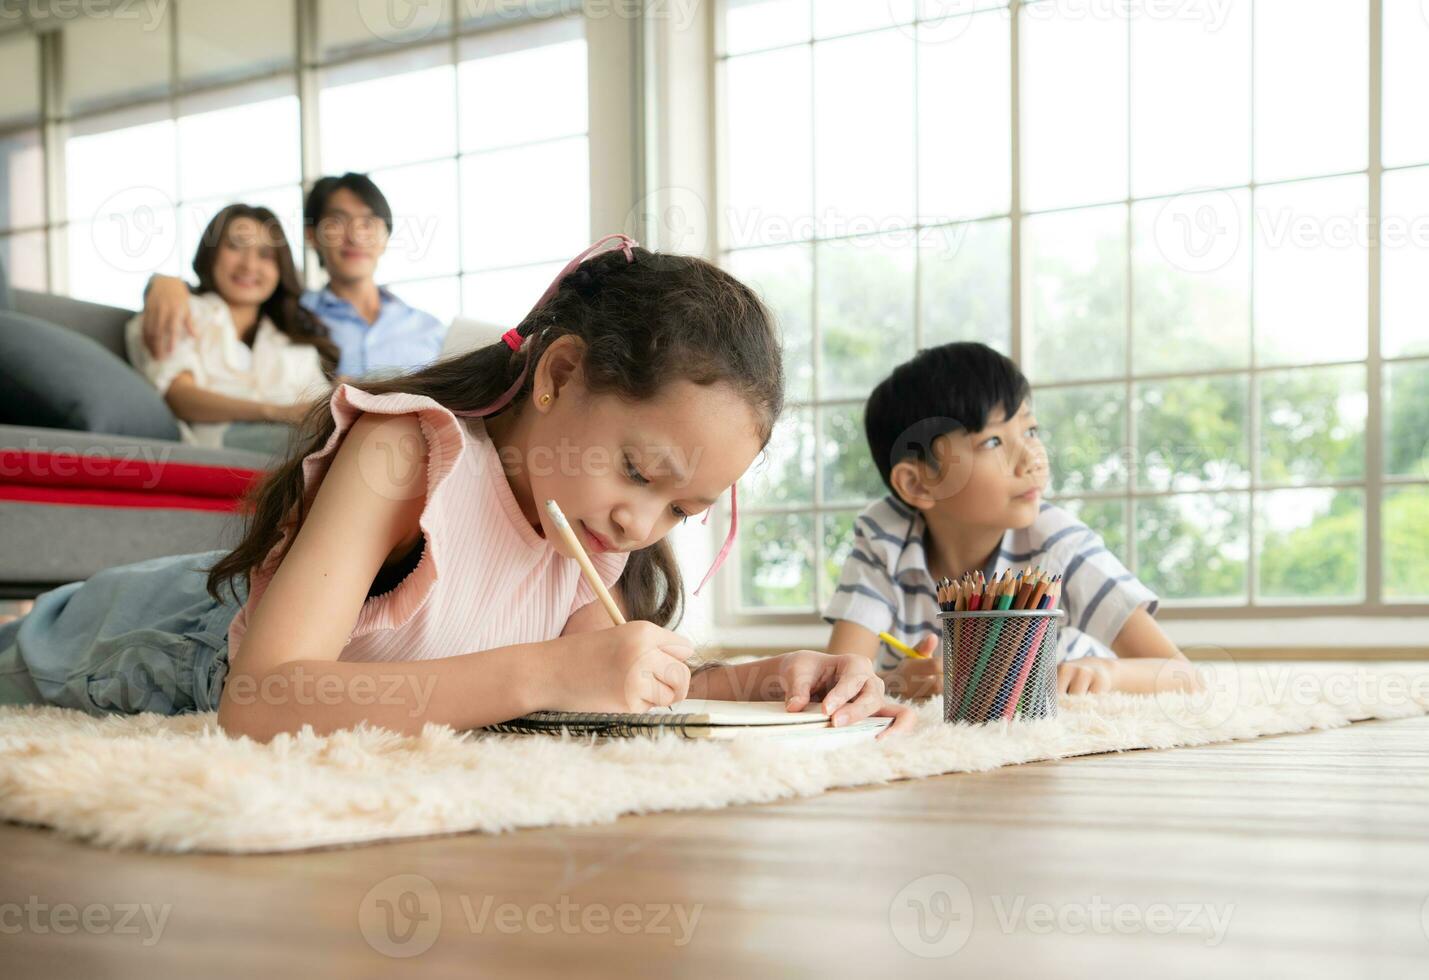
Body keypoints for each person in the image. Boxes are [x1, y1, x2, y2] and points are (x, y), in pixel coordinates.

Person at [0, 235, 916, 743]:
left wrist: (756, 680)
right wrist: (547, 669)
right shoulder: (411, 455)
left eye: (681, 511)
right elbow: (260, 700)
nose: (642, 525)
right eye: (640, 473)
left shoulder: (597, 531)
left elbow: (597, 688)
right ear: (557, 376)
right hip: (140, 636)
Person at [823, 342, 1200, 699]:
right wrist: (895, 681)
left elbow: (1182, 675)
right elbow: (839, 676)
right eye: (992, 442)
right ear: (917, 483)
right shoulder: (884, 536)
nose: (1032, 457)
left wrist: (1105, 672)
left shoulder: (1059, 545)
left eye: (1030, 431)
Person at [139, 173, 447, 380]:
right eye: (337, 222)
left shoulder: (432, 331)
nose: (355, 236)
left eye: (368, 224)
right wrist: (164, 283)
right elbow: (231, 295)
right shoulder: (289, 316)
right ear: (312, 236)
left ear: (385, 237)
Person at [124, 204, 338, 453]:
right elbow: (179, 396)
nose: (249, 265)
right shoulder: (183, 311)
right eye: (235, 246)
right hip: (220, 443)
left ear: (280, 269)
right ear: (211, 254)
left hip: (292, 439)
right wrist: (275, 412)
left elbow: (319, 410)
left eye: (265, 254)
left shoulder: (290, 340)